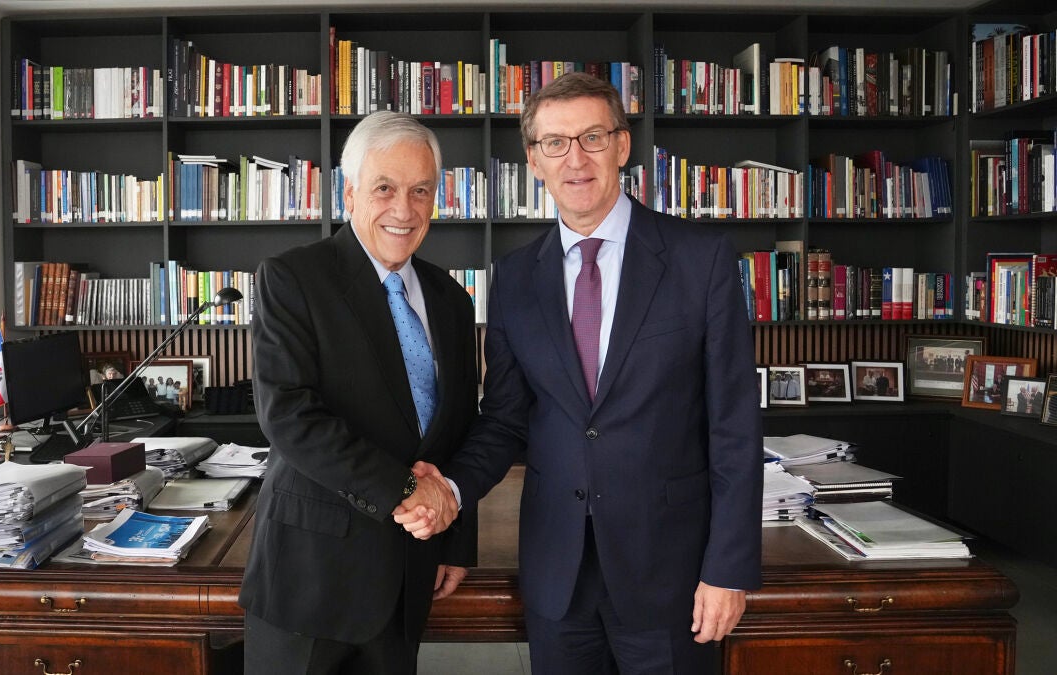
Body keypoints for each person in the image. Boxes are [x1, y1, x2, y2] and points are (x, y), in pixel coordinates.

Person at [398, 72, 763, 674]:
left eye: (592, 137)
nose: (576, 159)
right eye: (555, 143)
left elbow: (735, 427)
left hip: (670, 576)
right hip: (557, 575)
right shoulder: (515, 278)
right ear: (533, 160)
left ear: (622, 146)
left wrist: (728, 569)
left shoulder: (701, 260)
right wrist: (450, 490)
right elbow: (506, 418)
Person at [238, 110, 480, 674]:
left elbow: (459, 427)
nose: (404, 209)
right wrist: (406, 490)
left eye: (421, 190)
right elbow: (290, 416)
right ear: (349, 194)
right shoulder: (293, 278)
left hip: (409, 574)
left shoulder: (452, 299)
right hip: (310, 579)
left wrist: (454, 540)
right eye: (385, 188)